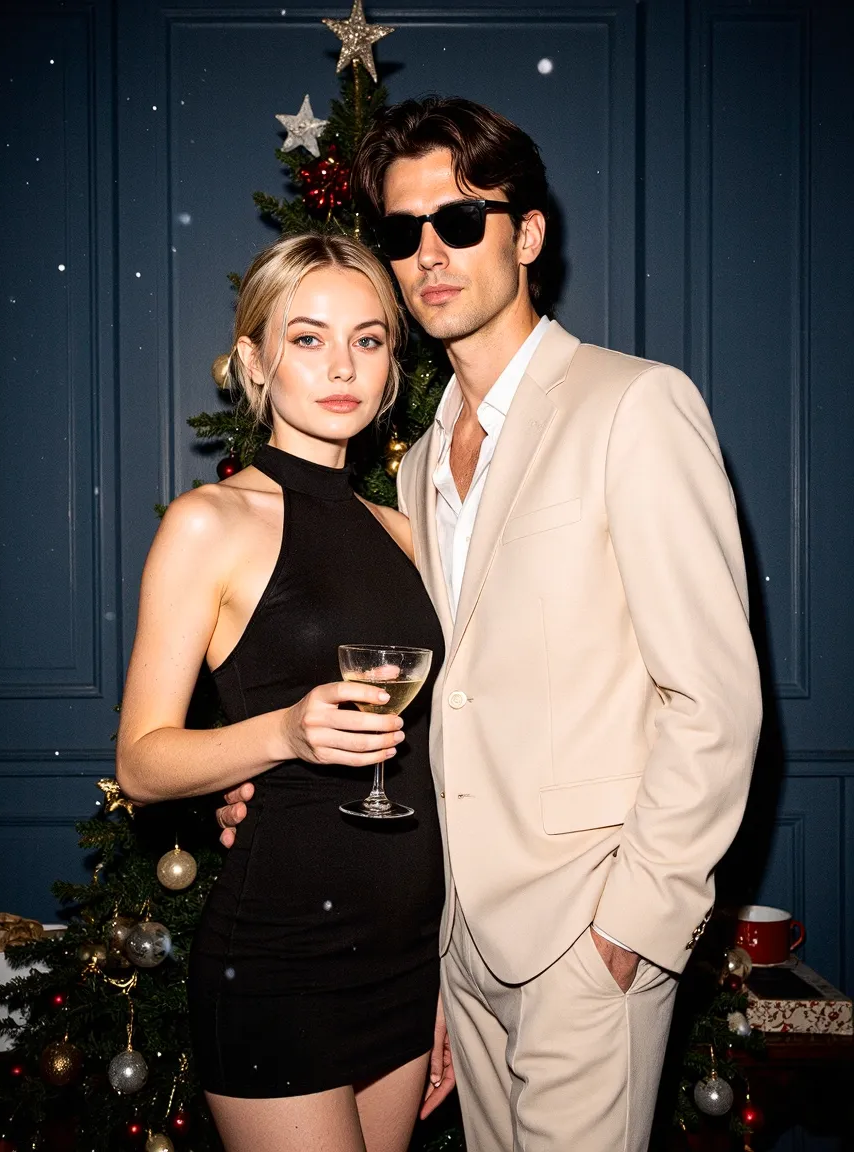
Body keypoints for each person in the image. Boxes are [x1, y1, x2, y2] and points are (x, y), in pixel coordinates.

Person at [218, 97, 763, 1151]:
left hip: (585, 936)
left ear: (526, 234)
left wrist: (632, 930)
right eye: (399, 232)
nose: (428, 253)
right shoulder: (415, 463)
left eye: (460, 222)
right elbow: (436, 705)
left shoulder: (633, 405)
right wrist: (265, 779)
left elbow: (711, 697)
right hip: (452, 941)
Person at [115, 232, 447, 1152]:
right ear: (256, 361)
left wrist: (454, 978)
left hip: (408, 958)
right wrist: (285, 734)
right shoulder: (208, 522)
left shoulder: (412, 534)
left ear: (391, 366)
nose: (342, 364)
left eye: (369, 339)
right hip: (280, 956)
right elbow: (142, 762)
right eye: (308, 338)